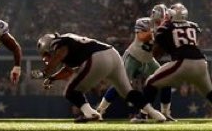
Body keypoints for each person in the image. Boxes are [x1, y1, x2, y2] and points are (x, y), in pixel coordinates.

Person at [34, 32, 166, 122]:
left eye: (46, 54)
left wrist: (44, 73)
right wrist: (52, 78)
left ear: (48, 45)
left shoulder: (59, 43)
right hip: (113, 55)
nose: (46, 58)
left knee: (71, 92)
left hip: (98, 57)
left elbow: (59, 55)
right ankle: (154, 113)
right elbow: (68, 70)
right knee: (127, 92)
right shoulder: (67, 43)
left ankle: (90, 113)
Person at [142, 3, 212, 121]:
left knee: (150, 82)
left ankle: (143, 115)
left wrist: (157, 32)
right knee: (209, 91)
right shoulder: (192, 26)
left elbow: (157, 51)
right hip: (201, 62)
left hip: (183, 63)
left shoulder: (166, 27)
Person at [96, 3, 174, 121]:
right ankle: (100, 110)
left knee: (165, 80)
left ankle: (164, 112)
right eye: (158, 20)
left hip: (148, 60)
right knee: (121, 84)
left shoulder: (165, 29)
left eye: (162, 20)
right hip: (133, 57)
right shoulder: (144, 22)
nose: (160, 22)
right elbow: (142, 37)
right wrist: (155, 30)